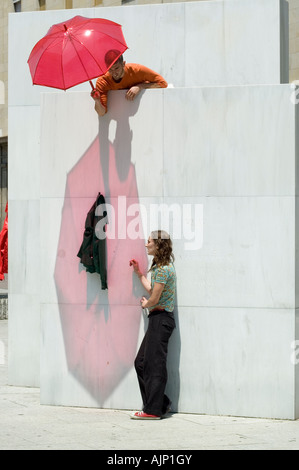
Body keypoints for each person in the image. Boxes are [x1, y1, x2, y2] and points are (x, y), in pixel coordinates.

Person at [129, 230, 176, 420]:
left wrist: (145, 304)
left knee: (154, 365)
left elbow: (154, 298)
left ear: (158, 245)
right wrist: (139, 274)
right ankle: (159, 404)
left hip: (162, 319)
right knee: (141, 363)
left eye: (149, 242)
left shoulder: (164, 268)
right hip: (157, 319)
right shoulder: (159, 268)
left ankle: (152, 410)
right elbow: (152, 289)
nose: (146, 245)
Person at [91, 50, 168, 116]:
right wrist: (97, 101)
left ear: (123, 64)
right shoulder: (102, 81)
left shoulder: (137, 70)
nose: (114, 73)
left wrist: (140, 87)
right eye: (110, 69)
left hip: (148, 112)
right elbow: (102, 113)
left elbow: (163, 84)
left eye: (117, 68)